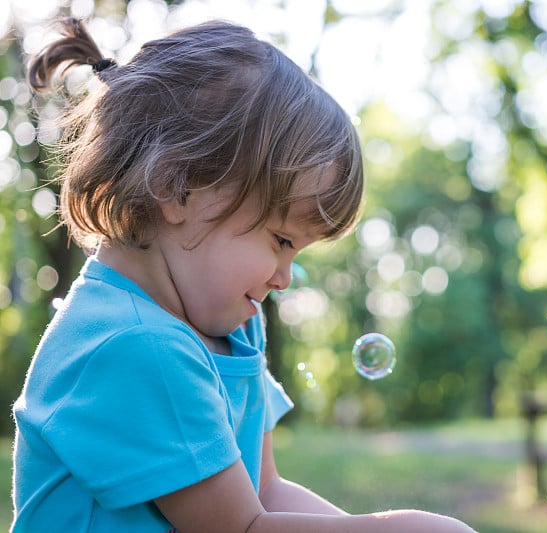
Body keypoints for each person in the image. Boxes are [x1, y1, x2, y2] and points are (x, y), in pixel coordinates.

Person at [11, 18, 476, 533]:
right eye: (281, 241)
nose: (286, 278)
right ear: (178, 185)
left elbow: (265, 492)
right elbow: (242, 528)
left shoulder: (231, 327)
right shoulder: (133, 344)